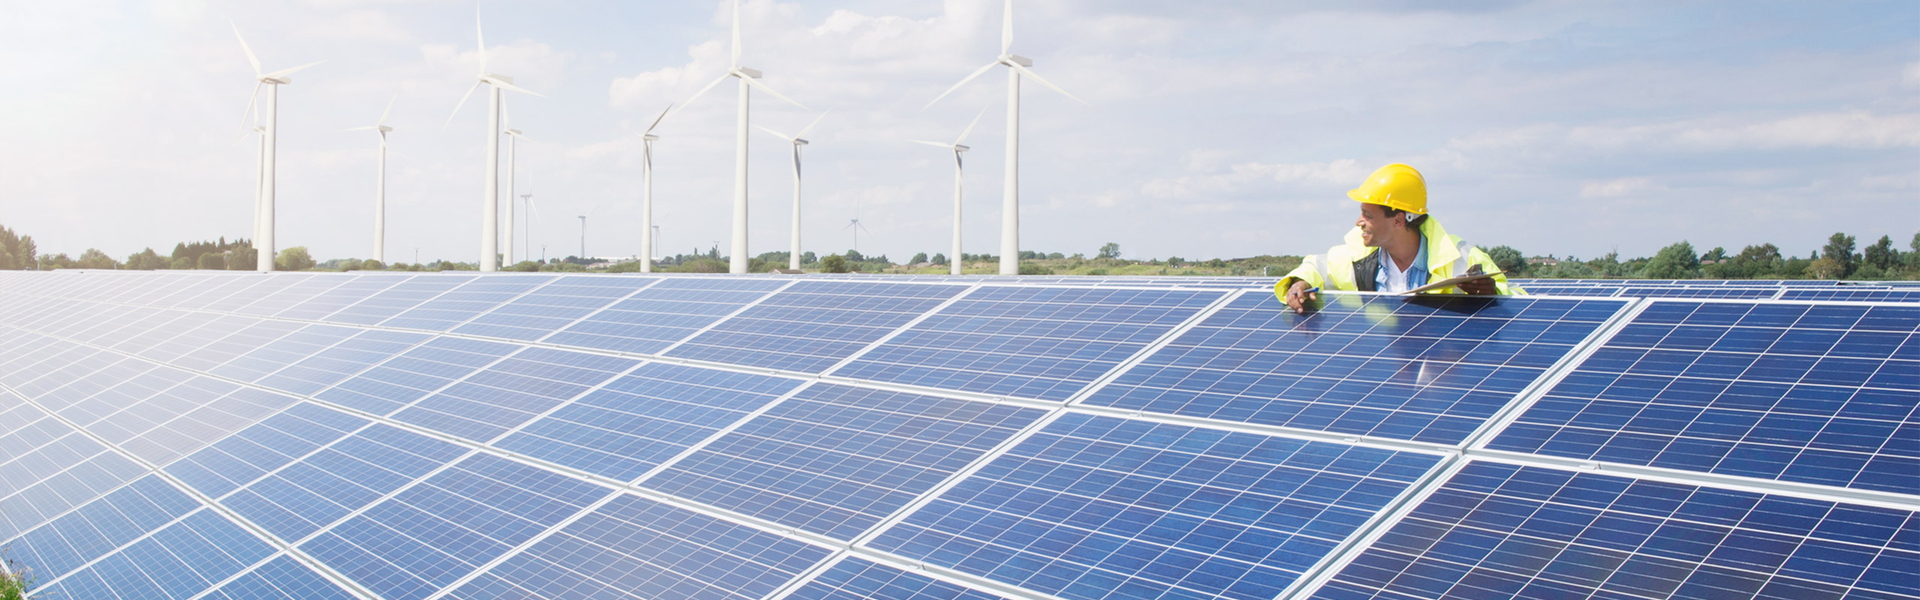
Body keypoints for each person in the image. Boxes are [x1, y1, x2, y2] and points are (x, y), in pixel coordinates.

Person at [1277, 163, 1523, 313]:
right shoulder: (1355, 255)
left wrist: (1493, 296)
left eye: (1367, 215)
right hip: (1381, 368)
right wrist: (1298, 283)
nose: (1358, 222)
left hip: (1438, 370)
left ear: (1397, 220)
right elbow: (1315, 267)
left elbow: (1519, 303)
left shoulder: (1463, 258)